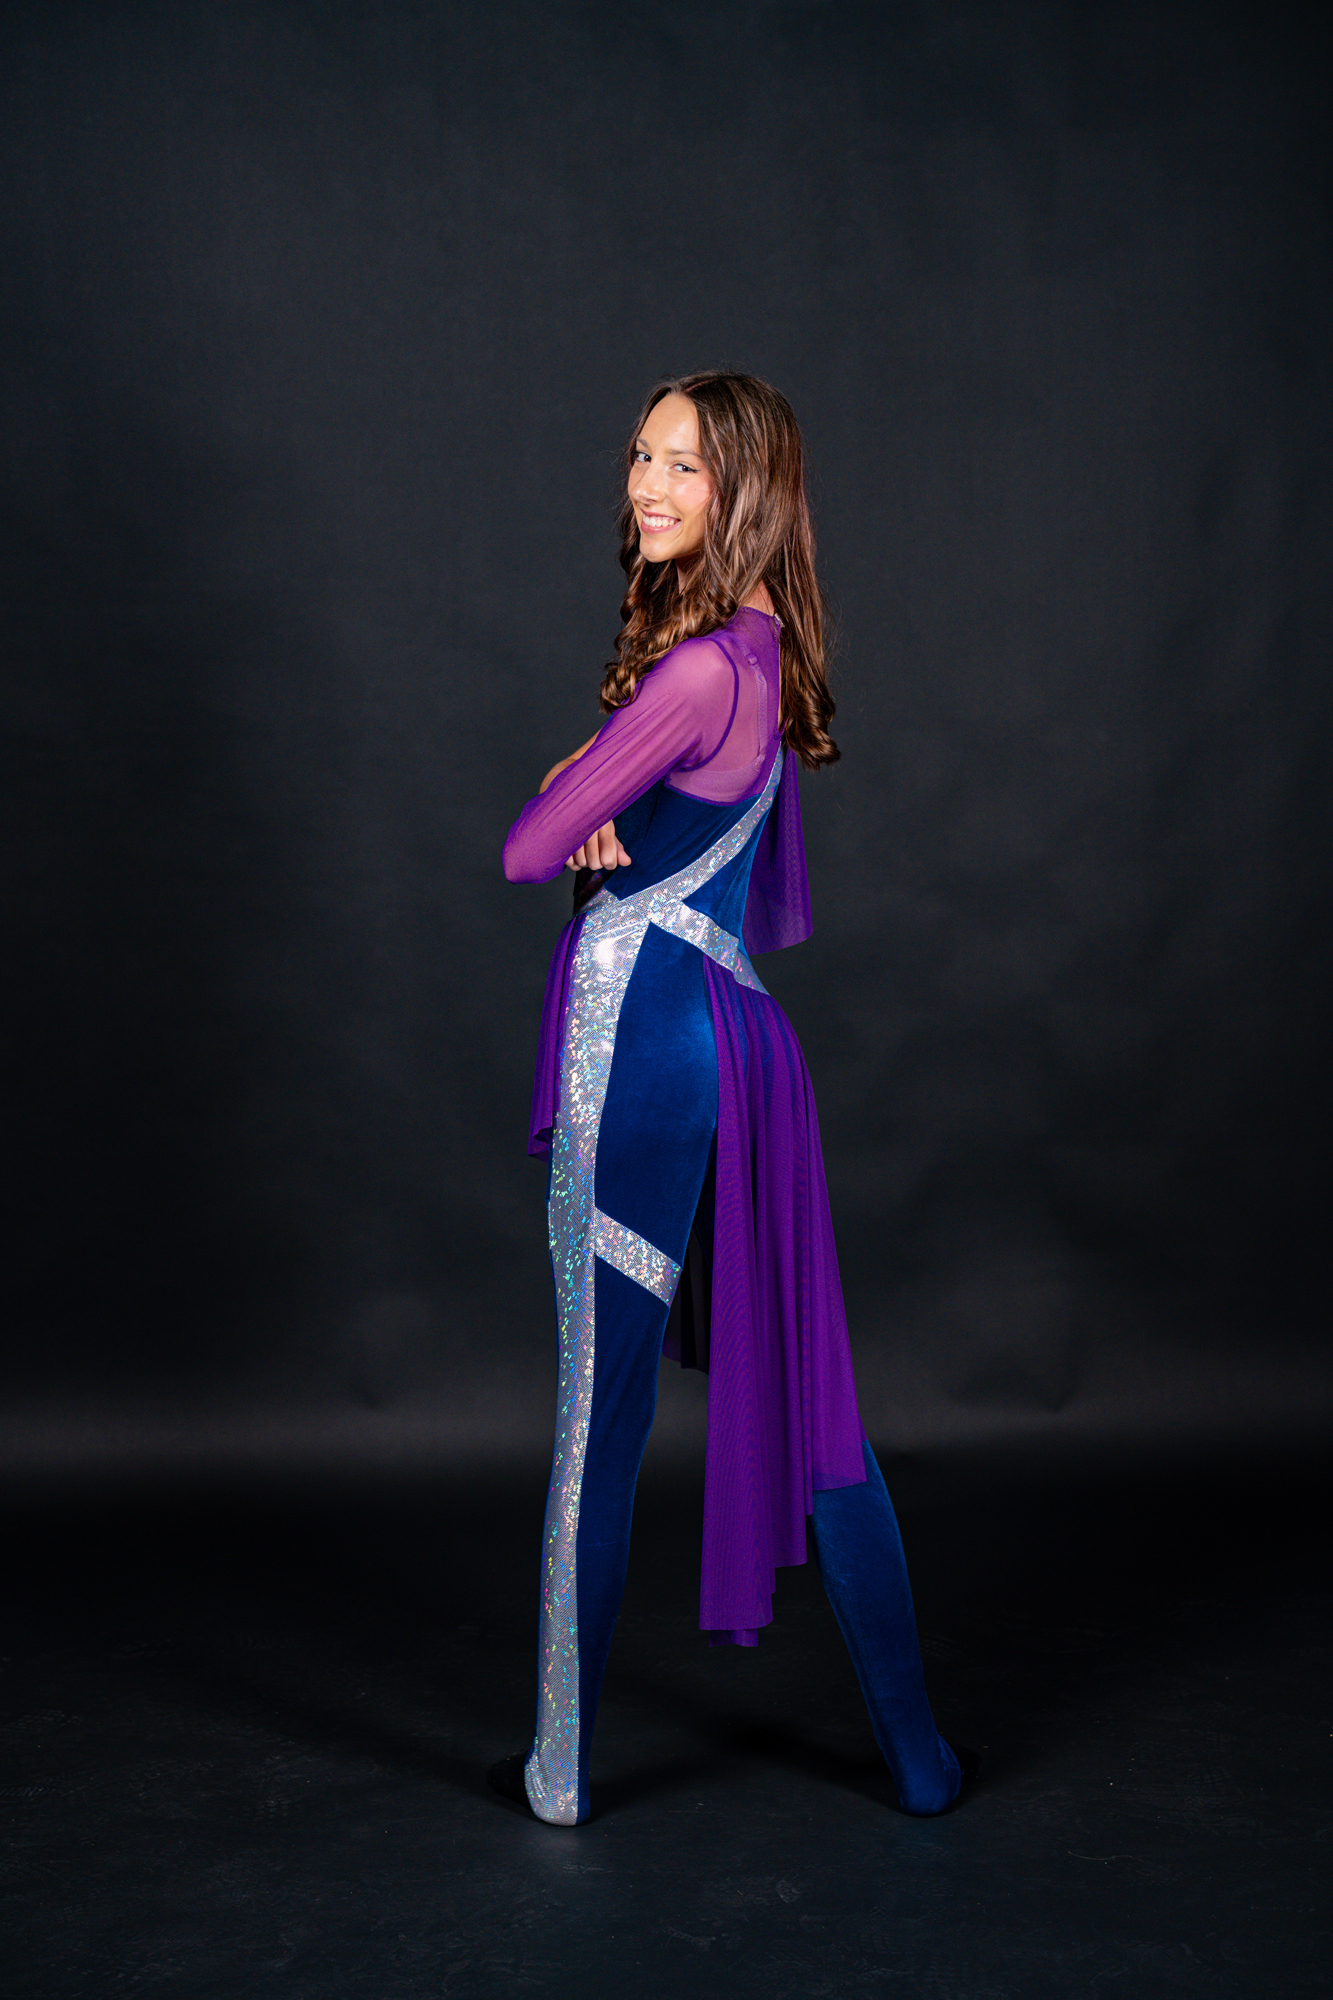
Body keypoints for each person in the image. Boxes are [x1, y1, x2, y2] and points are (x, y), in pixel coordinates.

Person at [494, 372, 976, 1826]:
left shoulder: (694, 673)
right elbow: (642, 816)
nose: (645, 486)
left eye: (683, 466)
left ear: (742, 492)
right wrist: (599, 780)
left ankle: (560, 1768)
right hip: (743, 1042)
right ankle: (921, 1759)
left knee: (602, 1411)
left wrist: (577, 782)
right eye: (641, 456)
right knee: (819, 1411)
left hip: (646, 1040)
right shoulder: (760, 651)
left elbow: (530, 852)